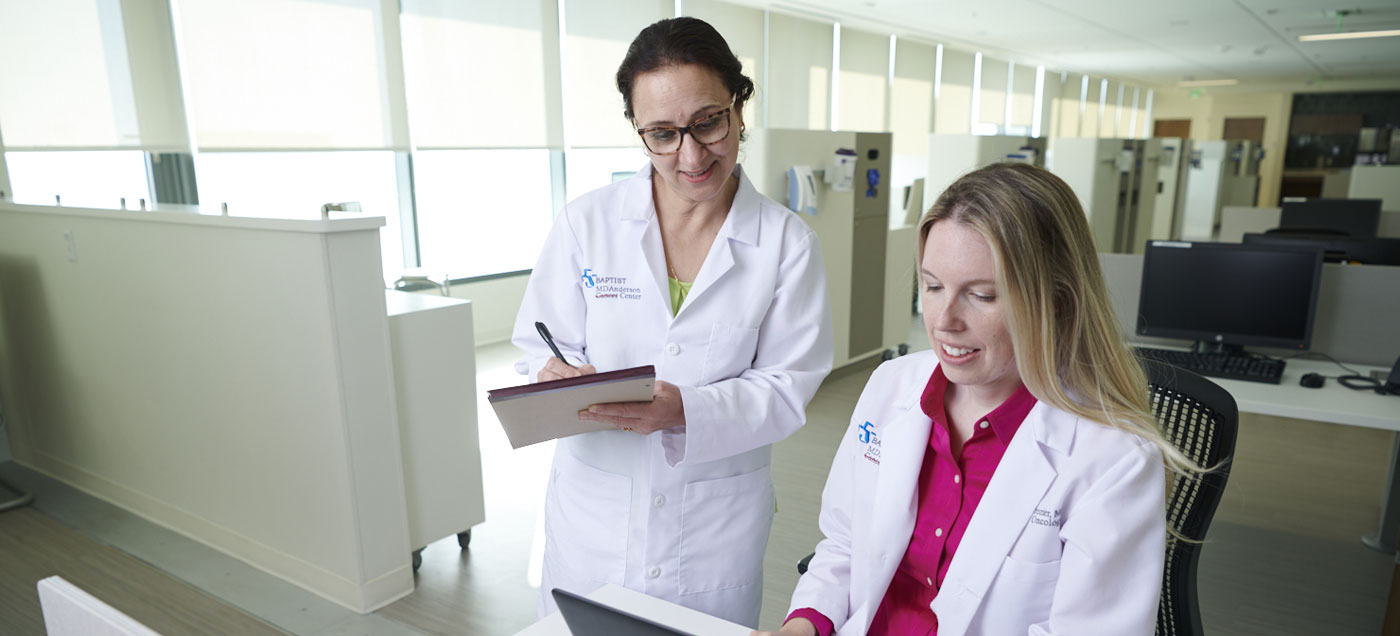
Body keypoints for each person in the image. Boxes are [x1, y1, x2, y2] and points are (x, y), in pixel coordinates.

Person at [759, 162, 1198, 636]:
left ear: (1056, 298)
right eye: (932, 286)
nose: (944, 320)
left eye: (982, 295)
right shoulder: (893, 386)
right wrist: (802, 627)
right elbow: (845, 545)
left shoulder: (1112, 458)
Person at [511, 16, 834, 627]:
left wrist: (686, 410)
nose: (690, 155)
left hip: (710, 532)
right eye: (661, 133)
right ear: (638, 130)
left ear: (740, 106)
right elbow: (536, 346)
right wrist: (549, 375)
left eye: (708, 122)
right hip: (594, 518)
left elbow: (789, 388)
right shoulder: (588, 224)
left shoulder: (787, 244)